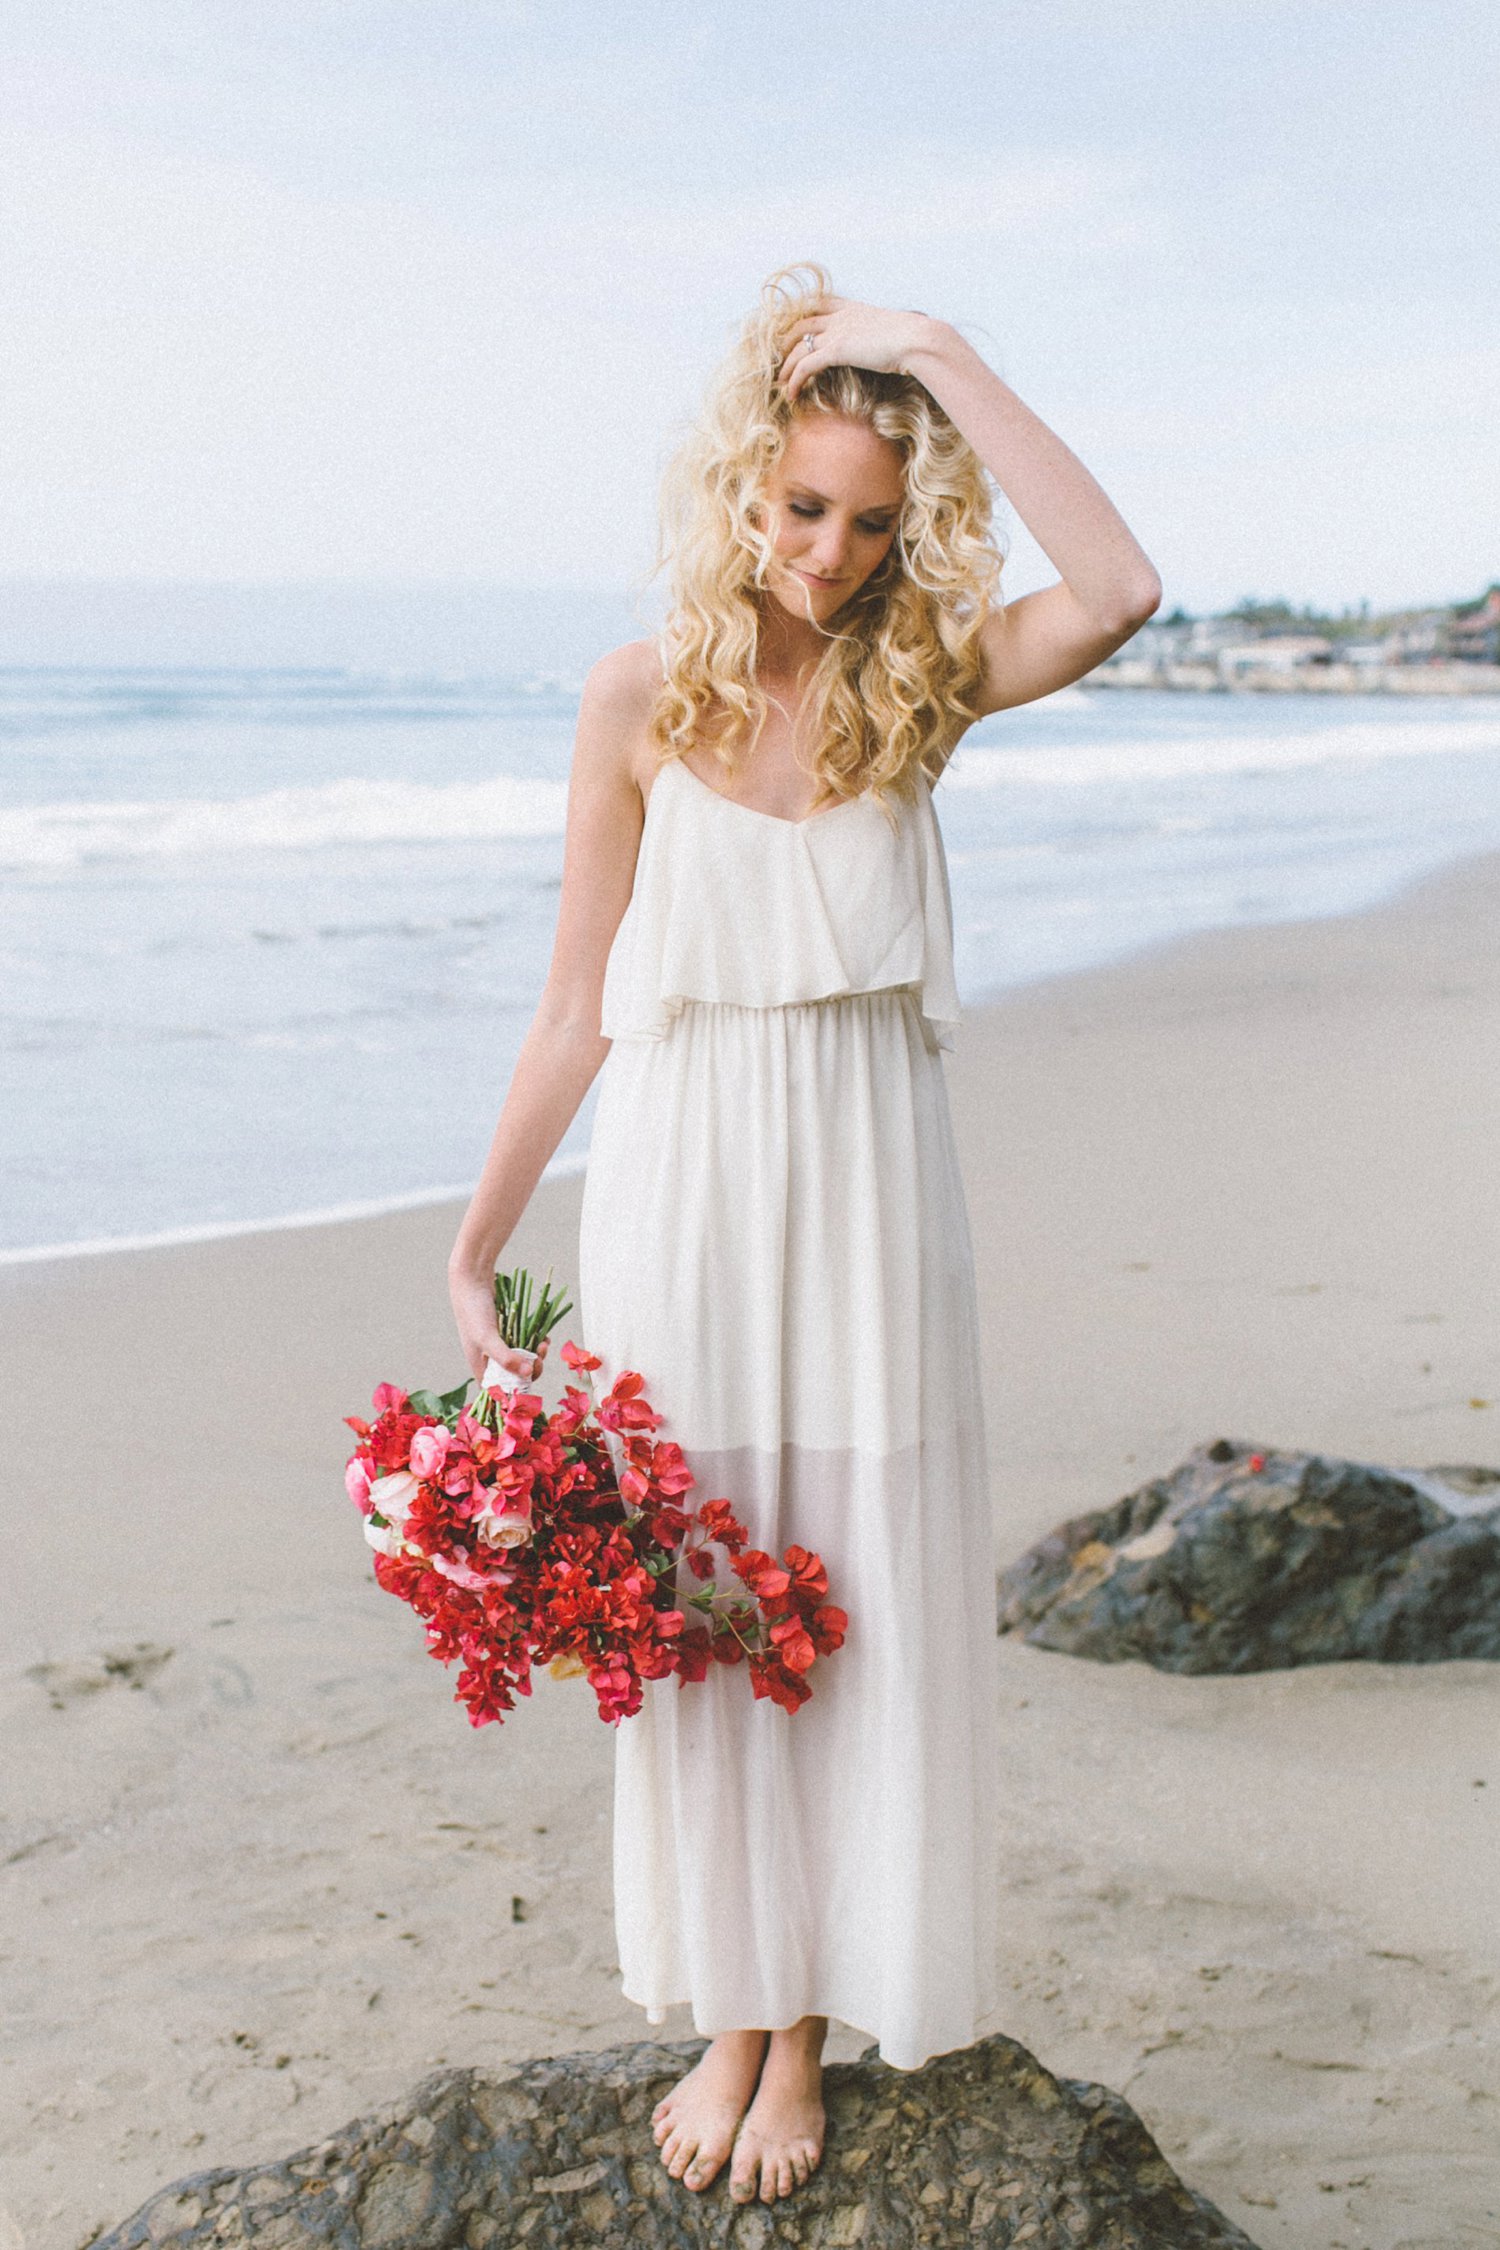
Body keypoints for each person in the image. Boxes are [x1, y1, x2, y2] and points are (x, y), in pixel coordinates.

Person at [448, 263, 1160, 2207]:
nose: (831, 553)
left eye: (866, 514)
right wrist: (474, 1244)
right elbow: (576, 1003)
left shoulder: (919, 678)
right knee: (702, 1592)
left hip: (862, 1181)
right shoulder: (636, 697)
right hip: (680, 1178)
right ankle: (736, 2003)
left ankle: (808, 2030)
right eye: (798, 508)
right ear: (736, 494)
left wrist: (939, 358)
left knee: (849, 1575)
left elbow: (1118, 591)